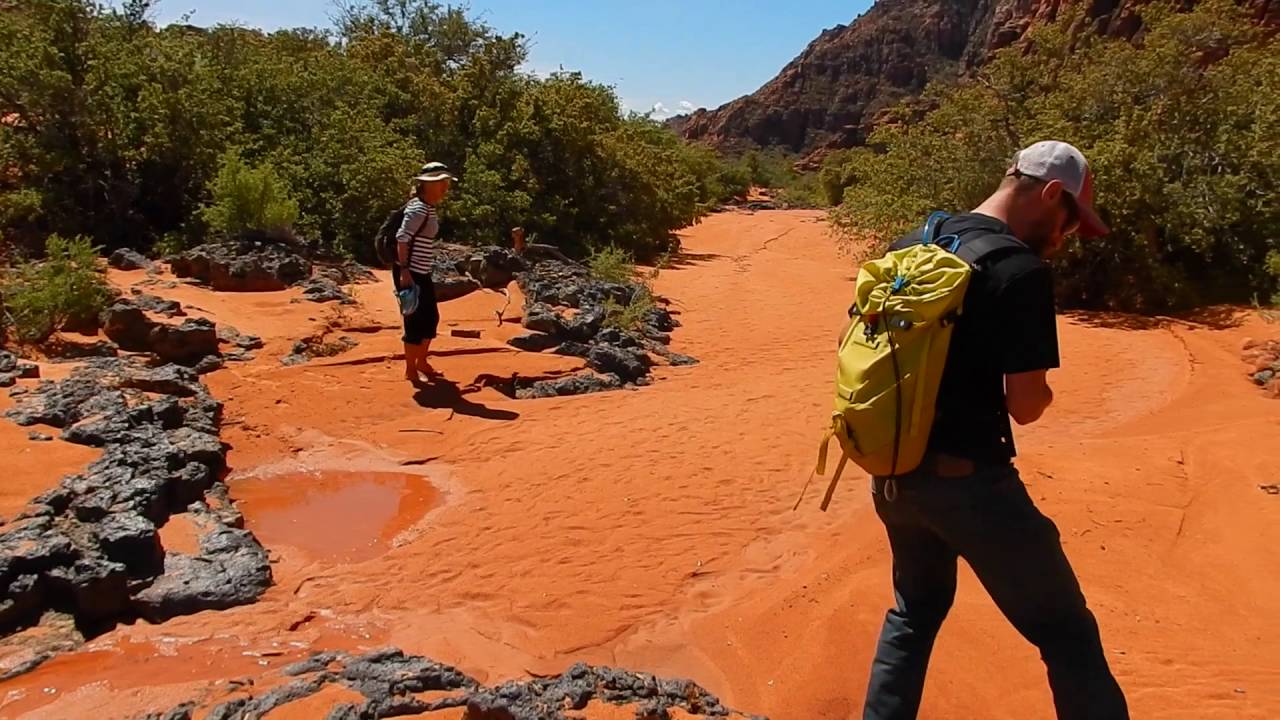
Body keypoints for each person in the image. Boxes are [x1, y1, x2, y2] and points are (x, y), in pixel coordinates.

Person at [856, 141, 1130, 720]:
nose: (1066, 237)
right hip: (973, 488)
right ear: (1051, 194)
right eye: (1069, 220)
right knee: (1065, 630)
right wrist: (1047, 389)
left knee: (914, 613)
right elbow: (1026, 407)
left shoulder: (914, 243)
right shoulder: (1018, 270)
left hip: (893, 477)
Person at [394, 162, 455, 383]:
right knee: (414, 320)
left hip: (421, 270)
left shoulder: (428, 207)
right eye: (441, 183)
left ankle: (421, 361)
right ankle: (411, 369)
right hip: (411, 272)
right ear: (428, 185)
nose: (445, 187)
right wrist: (404, 271)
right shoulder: (417, 208)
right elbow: (402, 239)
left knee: (430, 318)